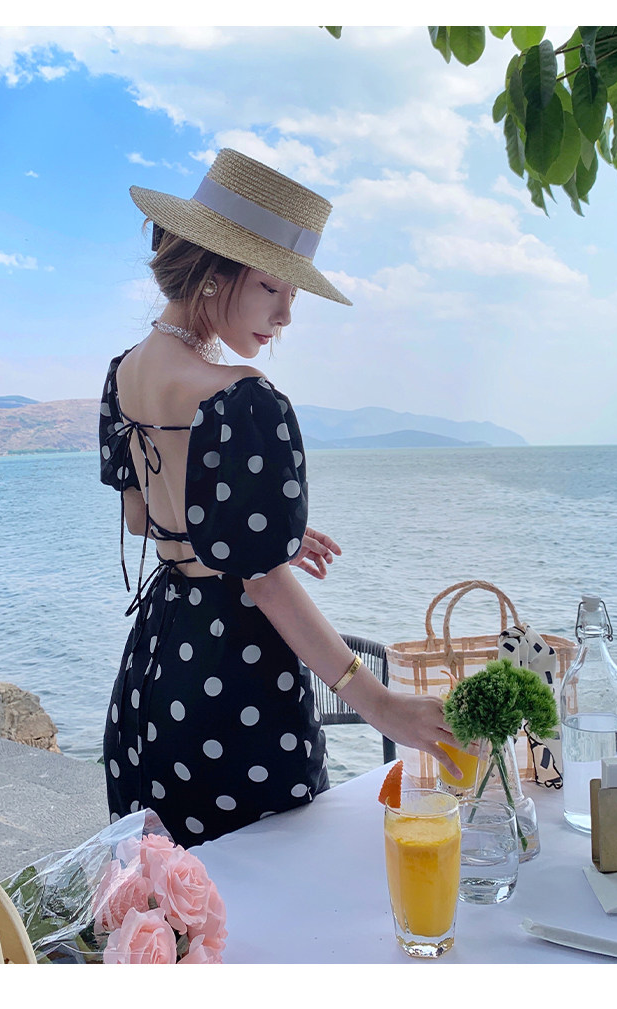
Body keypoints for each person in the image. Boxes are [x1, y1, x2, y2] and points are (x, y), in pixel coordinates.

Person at [99, 148, 460, 847]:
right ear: (213, 270)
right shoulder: (244, 397)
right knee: (272, 869)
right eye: (272, 286)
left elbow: (143, 518)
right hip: (234, 677)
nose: (287, 314)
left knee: (174, 877)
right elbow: (261, 583)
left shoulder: (123, 375)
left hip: (158, 666)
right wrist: (381, 704)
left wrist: (255, 535)